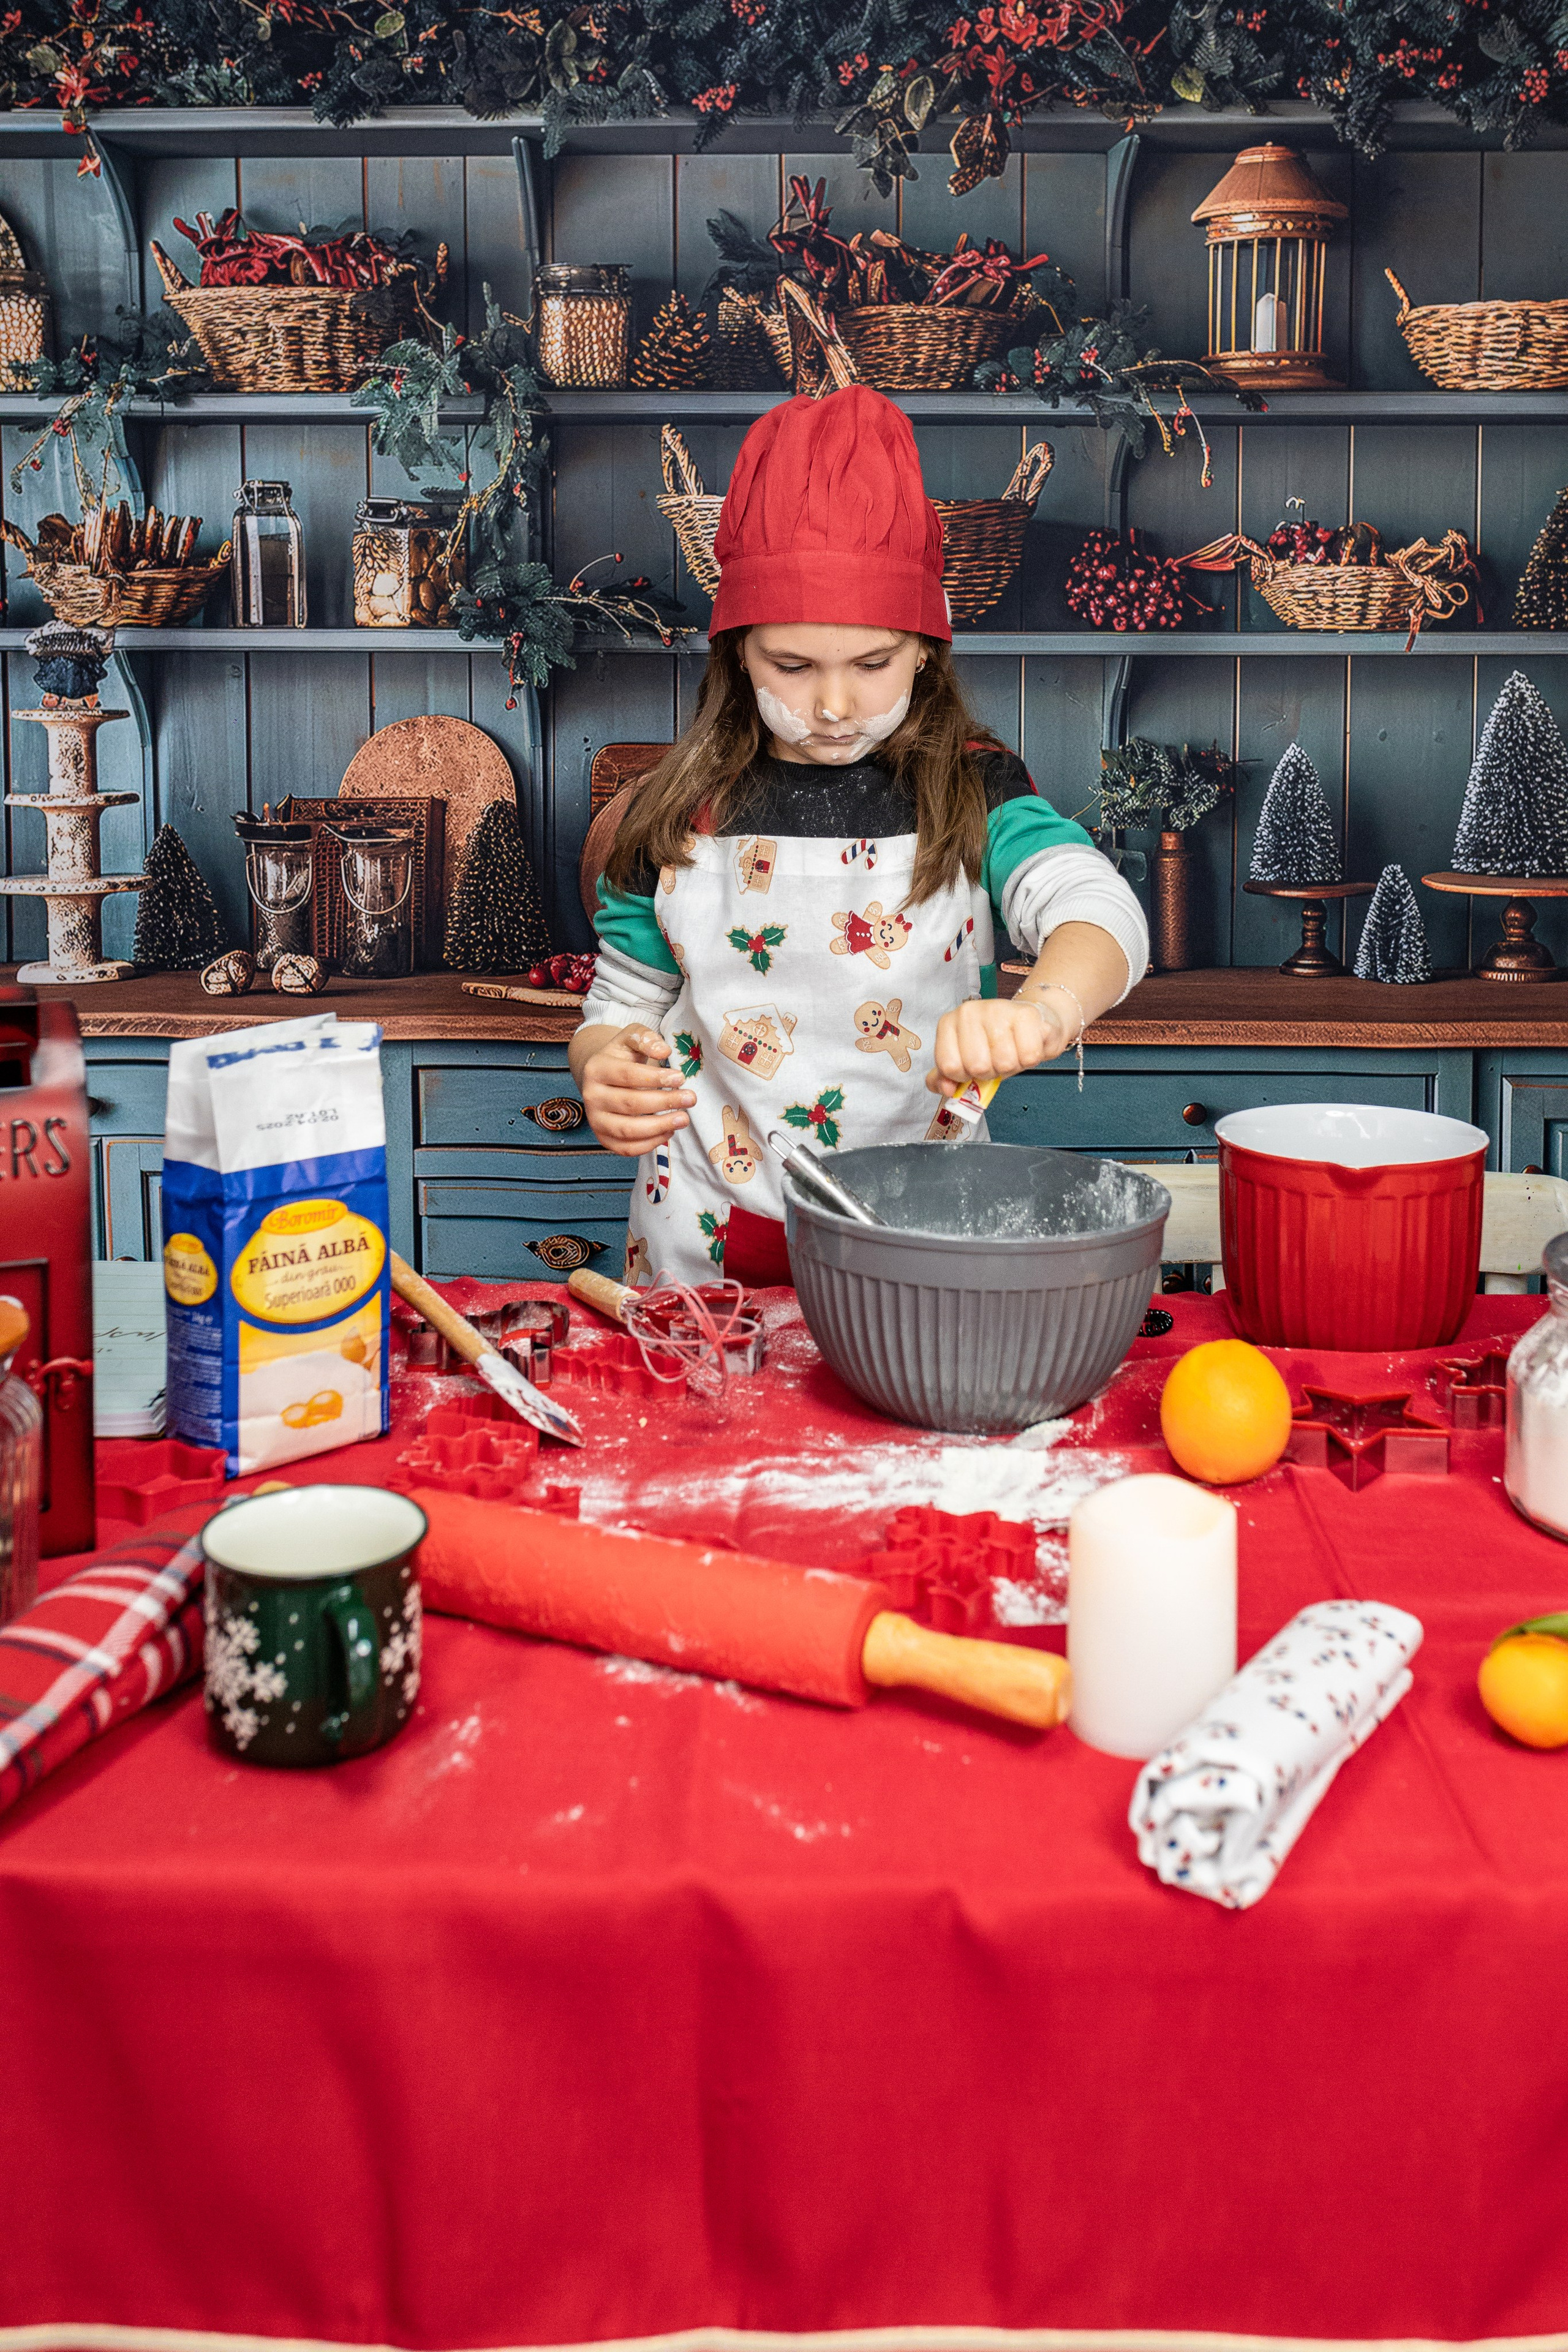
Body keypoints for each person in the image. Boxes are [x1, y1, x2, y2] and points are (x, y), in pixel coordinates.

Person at [570, 384, 1148, 1289]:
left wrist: (1042, 1012)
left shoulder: (971, 788)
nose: (833, 706)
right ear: (737, 653)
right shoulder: (676, 812)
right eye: (791, 666)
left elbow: (1096, 906)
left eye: (872, 664)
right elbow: (622, 1003)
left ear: (925, 648)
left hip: (925, 1241)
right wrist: (605, 1064)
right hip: (704, 1250)